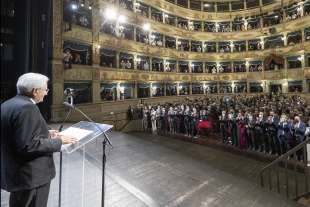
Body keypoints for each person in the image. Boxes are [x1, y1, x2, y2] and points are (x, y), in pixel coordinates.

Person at [1, 73, 77, 207]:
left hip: (16, 173)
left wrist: (46, 133)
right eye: (45, 90)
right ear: (35, 91)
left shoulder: (8, 104)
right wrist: (59, 141)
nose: (46, 93)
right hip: (31, 177)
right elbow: (29, 145)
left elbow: (15, 134)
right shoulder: (27, 108)